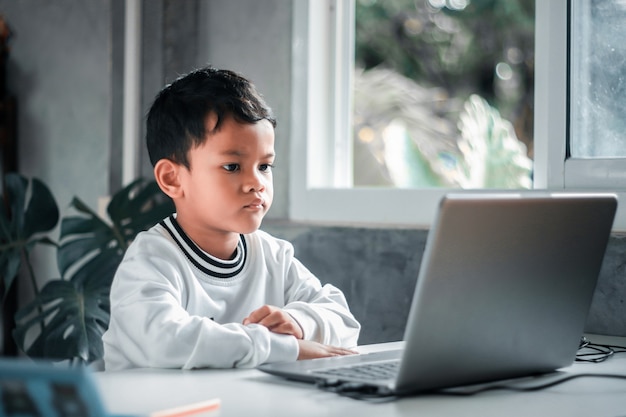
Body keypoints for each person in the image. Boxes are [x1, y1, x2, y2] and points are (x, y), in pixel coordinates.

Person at [102, 67, 361, 370]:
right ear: (172, 179)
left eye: (265, 166)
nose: (257, 183)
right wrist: (283, 348)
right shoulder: (152, 260)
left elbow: (345, 323)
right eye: (232, 167)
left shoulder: (273, 256)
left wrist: (298, 322)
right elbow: (166, 341)